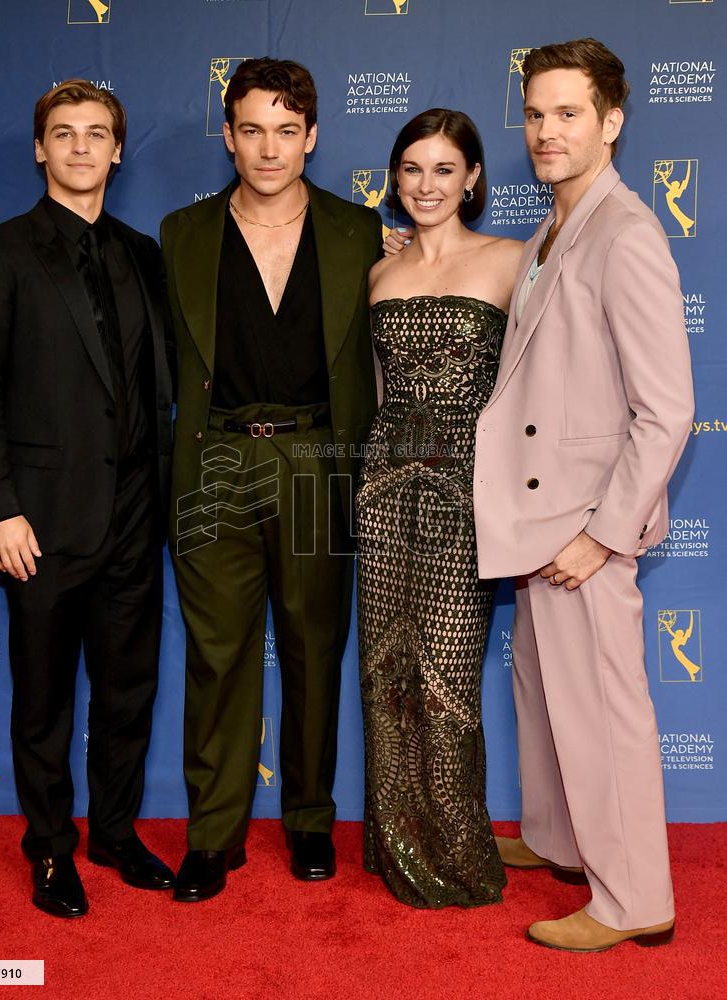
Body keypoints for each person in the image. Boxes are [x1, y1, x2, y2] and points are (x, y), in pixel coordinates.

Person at [473, 39, 694, 951]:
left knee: (601, 706)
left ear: (612, 122)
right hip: (541, 514)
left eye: (568, 113)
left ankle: (635, 897)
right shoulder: (556, 226)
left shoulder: (626, 230)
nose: (546, 132)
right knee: (544, 690)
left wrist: (603, 536)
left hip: (581, 524)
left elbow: (667, 410)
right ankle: (560, 840)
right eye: (535, 114)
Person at [0, 80, 176, 918]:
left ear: (119, 151)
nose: (81, 147)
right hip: (37, 524)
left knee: (128, 692)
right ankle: (50, 851)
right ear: (41, 149)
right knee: (43, 703)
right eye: (63, 133)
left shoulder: (144, 253)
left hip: (135, 518)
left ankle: (114, 833)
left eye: (97, 134)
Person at [161, 58, 385, 902]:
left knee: (313, 650)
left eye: (286, 131)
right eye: (251, 129)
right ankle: (213, 836)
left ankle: (310, 821)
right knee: (217, 659)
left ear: (313, 137)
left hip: (317, 460)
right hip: (215, 458)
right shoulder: (180, 234)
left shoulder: (360, 230)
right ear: (228, 135)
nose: (268, 148)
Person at [356, 109, 523, 907]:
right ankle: (396, 842)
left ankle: (457, 848)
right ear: (396, 178)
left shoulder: (513, 262)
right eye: (412, 169)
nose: (426, 185)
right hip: (385, 483)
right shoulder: (377, 272)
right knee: (386, 668)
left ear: (473, 179)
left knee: (448, 672)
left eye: (444, 170)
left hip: (468, 485)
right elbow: (379, 393)